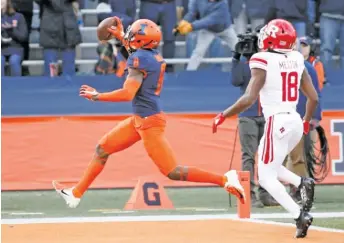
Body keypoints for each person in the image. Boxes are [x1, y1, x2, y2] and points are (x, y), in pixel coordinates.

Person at [52, 18, 245, 208]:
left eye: (134, 34)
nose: (130, 36)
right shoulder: (150, 55)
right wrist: (120, 36)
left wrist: (97, 96)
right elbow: (135, 51)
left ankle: (224, 179)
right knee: (102, 149)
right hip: (140, 119)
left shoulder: (140, 59)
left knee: (172, 171)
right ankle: (76, 194)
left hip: (149, 122)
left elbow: (128, 93)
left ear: (141, 41)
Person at [212, 19, 318, 238]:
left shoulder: (262, 59)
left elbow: (249, 98)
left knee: (265, 178)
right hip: (295, 120)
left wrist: (224, 114)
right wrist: (306, 121)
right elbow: (313, 97)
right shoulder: (297, 57)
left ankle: (299, 215)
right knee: (271, 166)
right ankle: (301, 182)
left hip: (277, 121)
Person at [231, 32, 279, 208]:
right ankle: (250, 194)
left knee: (267, 158)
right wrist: (235, 58)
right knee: (249, 157)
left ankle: (265, 194)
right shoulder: (245, 65)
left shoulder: (266, 64)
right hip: (249, 116)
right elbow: (235, 81)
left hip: (264, 114)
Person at [285, 60, 322, 203]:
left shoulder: (306, 67)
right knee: (290, 156)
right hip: (286, 116)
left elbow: (316, 93)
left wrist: (314, 116)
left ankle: (299, 188)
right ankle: (297, 187)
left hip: (299, 117)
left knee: (299, 156)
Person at [175, 0, 238, 71]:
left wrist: (191, 26)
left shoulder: (223, 3)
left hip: (225, 29)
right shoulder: (198, 1)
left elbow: (209, 20)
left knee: (238, 48)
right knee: (198, 52)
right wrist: (184, 22)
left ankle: (243, 70)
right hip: (208, 30)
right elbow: (192, 13)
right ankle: (189, 72)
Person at [35, 0, 82, 76]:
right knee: (51, 71)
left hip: (67, 28)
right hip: (50, 27)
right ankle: (52, 84)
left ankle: (67, 84)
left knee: (68, 70)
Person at [139, 0, 177, 73]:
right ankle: (148, 70)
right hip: (149, 4)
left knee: (170, 38)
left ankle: (169, 71)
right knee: (148, 40)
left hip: (169, 4)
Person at [1, 0, 28, 76]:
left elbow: (23, 37)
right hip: (1, 48)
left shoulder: (19, 16)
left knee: (14, 60)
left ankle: (16, 85)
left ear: (7, 2)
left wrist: (12, 30)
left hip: (16, 47)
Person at [319, 0, 344, 78]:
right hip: (328, 14)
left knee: (326, 49)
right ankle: (324, 77)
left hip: (328, 14)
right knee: (326, 49)